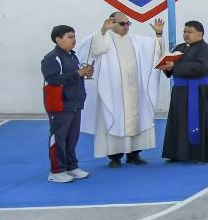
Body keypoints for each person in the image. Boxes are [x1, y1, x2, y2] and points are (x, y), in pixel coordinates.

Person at [81, 12, 166, 167]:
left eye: (128, 24)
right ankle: (115, 157)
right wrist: (103, 31)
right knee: (115, 119)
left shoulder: (136, 40)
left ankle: (134, 154)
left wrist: (158, 34)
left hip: (134, 89)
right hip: (114, 91)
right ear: (112, 23)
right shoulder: (105, 38)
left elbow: (155, 50)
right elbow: (97, 49)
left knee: (136, 120)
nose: (126, 27)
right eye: (122, 24)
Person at [161, 21, 208, 163]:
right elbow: (171, 65)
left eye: (189, 32)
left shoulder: (206, 50)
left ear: (200, 34)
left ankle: (203, 154)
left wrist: (175, 66)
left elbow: (200, 67)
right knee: (179, 120)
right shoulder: (179, 48)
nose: (185, 35)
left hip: (199, 91)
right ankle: (177, 154)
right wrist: (167, 67)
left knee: (200, 120)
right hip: (180, 92)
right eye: (184, 31)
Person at [42, 25, 92, 183]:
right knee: (59, 137)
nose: (74, 40)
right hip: (59, 103)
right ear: (58, 39)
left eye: (74, 36)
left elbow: (73, 76)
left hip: (74, 102)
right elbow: (53, 79)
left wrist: (84, 74)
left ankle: (71, 166)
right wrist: (78, 73)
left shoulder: (72, 56)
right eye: (70, 37)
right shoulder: (51, 58)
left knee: (72, 137)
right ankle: (56, 171)